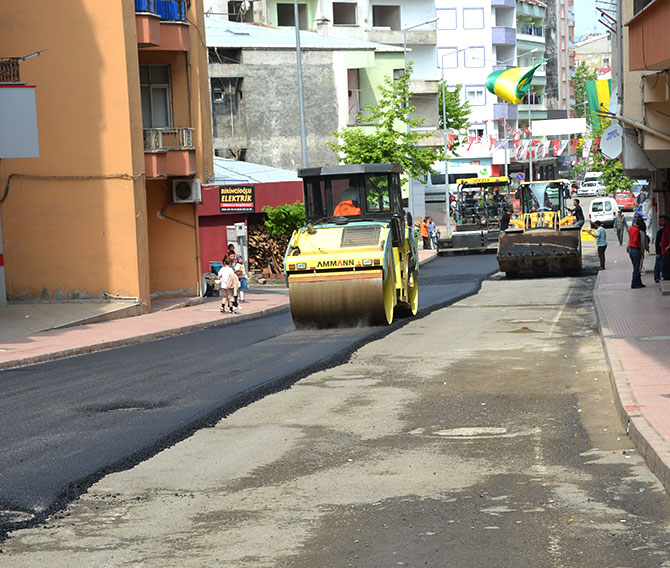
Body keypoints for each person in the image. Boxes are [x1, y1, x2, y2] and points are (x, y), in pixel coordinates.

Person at [627, 218, 646, 289]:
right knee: (637, 268)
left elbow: (630, 240)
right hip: (636, 250)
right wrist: (640, 247)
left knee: (635, 266)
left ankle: (639, 282)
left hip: (631, 250)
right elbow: (636, 240)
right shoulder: (637, 231)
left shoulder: (631, 229)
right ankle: (634, 283)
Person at [654, 215, 668, 283]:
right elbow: (657, 243)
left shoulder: (666, 230)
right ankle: (657, 277)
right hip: (661, 251)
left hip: (665, 251)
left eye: (662, 221)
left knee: (663, 265)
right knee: (659, 264)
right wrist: (657, 252)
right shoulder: (660, 232)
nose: (661, 222)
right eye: (660, 221)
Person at [661, 214, 670, 282]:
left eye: (662, 221)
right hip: (664, 251)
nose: (661, 222)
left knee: (666, 268)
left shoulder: (668, 228)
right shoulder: (665, 229)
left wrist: (668, 247)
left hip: (667, 252)